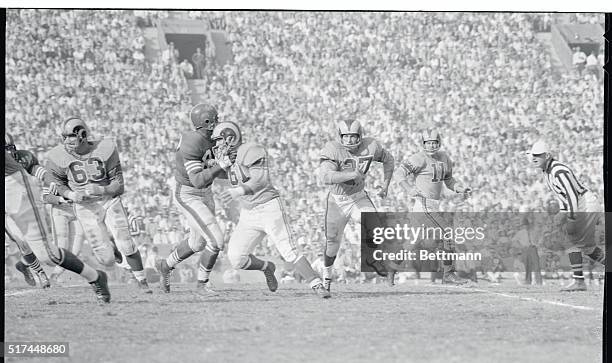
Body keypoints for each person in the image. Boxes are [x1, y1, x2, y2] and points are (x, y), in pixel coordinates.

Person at [213, 121, 330, 298]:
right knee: (236, 257)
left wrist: (237, 191)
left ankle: (316, 284)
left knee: (288, 249)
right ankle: (267, 267)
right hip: (248, 213)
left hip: (268, 207)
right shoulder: (230, 158)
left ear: (230, 137)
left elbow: (260, 179)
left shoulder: (251, 149)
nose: (217, 145)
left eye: (220, 140)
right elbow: (223, 174)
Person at [45, 117, 152, 294]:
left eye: (70, 136)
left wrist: (100, 189)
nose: (66, 141)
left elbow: (119, 185)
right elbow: (56, 183)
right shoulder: (58, 156)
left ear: (82, 134)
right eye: (64, 137)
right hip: (85, 207)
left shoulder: (104, 149)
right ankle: (112, 246)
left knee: (126, 242)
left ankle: (142, 282)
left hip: (108, 200)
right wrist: (70, 194)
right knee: (107, 259)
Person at [5, 132, 110, 303]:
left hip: (12, 185)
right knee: (20, 241)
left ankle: (95, 277)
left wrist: (52, 183)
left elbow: (39, 172)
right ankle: (36, 270)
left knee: (48, 255)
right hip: (56, 206)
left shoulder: (24, 158)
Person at [155, 103, 227, 293]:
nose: (218, 123)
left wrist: (230, 165)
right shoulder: (192, 142)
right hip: (188, 193)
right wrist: (221, 164)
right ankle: (202, 284)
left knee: (197, 243)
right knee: (216, 240)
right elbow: (197, 180)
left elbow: (220, 174)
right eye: (214, 120)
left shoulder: (214, 139)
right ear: (205, 123)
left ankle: (165, 265)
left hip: (206, 191)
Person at [318, 120, 395, 292]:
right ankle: (326, 277)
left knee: (375, 227)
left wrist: (385, 185)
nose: (350, 140)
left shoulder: (371, 146)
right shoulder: (333, 149)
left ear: (360, 136)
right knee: (332, 243)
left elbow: (389, 160)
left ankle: (372, 260)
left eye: (353, 136)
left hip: (358, 197)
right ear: (340, 137)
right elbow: (325, 176)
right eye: (346, 137)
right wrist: (351, 175)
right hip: (337, 201)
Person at [526, 140, 605, 291]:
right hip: (580, 204)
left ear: (547, 155)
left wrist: (572, 217)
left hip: (584, 204)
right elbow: (563, 196)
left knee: (572, 239)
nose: (534, 158)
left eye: (538, 155)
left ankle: (579, 281)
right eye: (533, 155)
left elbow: (572, 195)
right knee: (587, 249)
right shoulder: (548, 171)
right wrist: (561, 214)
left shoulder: (558, 171)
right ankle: (580, 280)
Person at [398, 130, 472, 285]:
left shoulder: (444, 157)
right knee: (448, 234)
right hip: (424, 204)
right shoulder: (418, 158)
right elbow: (399, 174)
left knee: (413, 242)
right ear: (423, 144)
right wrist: (409, 188)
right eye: (428, 142)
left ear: (439, 143)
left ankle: (391, 268)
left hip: (432, 205)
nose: (431, 145)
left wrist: (460, 189)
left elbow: (449, 180)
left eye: (434, 142)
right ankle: (449, 274)